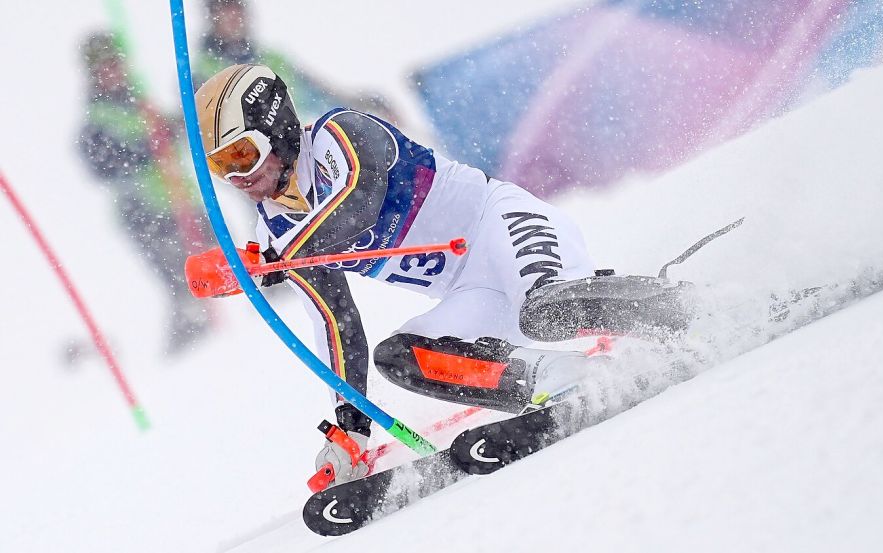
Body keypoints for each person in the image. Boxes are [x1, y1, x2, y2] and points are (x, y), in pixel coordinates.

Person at [189, 64, 682, 488]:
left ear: (277, 128)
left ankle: (680, 307)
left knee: (545, 311)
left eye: (242, 155)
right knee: (401, 358)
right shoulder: (279, 230)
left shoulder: (340, 135)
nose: (236, 178)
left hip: (503, 228)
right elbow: (336, 323)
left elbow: (358, 201)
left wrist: (277, 259)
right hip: (473, 292)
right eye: (219, 166)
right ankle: (559, 378)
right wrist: (351, 426)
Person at [77, 32, 212, 355]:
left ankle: (228, 334)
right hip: (147, 215)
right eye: (103, 68)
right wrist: (148, 146)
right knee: (185, 284)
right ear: (93, 75)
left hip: (186, 205)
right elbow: (103, 162)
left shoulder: (141, 104)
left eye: (114, 64)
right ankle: (192, 346)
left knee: (228, 264)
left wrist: (183, 121)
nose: (111, 72)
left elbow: (175, 131)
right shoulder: (97, 120)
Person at [194, 0, 398, 123]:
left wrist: (366, 102)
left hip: (303, 146)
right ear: (213, 18)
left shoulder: (273, 58)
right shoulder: (204, 70)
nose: (233, 17)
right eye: (225, 11)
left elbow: (320, 93)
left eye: (237, 9)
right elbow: (203, 127)